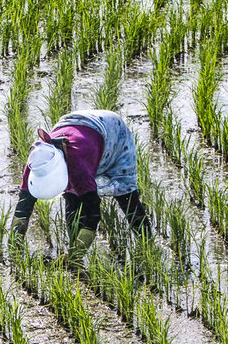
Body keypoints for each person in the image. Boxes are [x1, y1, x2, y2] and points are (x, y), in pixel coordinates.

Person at [9, 110, 152, 271]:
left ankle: (148, 245)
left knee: (126, 197)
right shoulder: (37, 161)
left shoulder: (78, 165)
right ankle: (73, 247)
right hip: (74, 127)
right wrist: (14, 250)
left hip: (111, 132)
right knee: (72, 196)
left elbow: (93, 214)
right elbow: (23, 208)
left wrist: (75, 256)